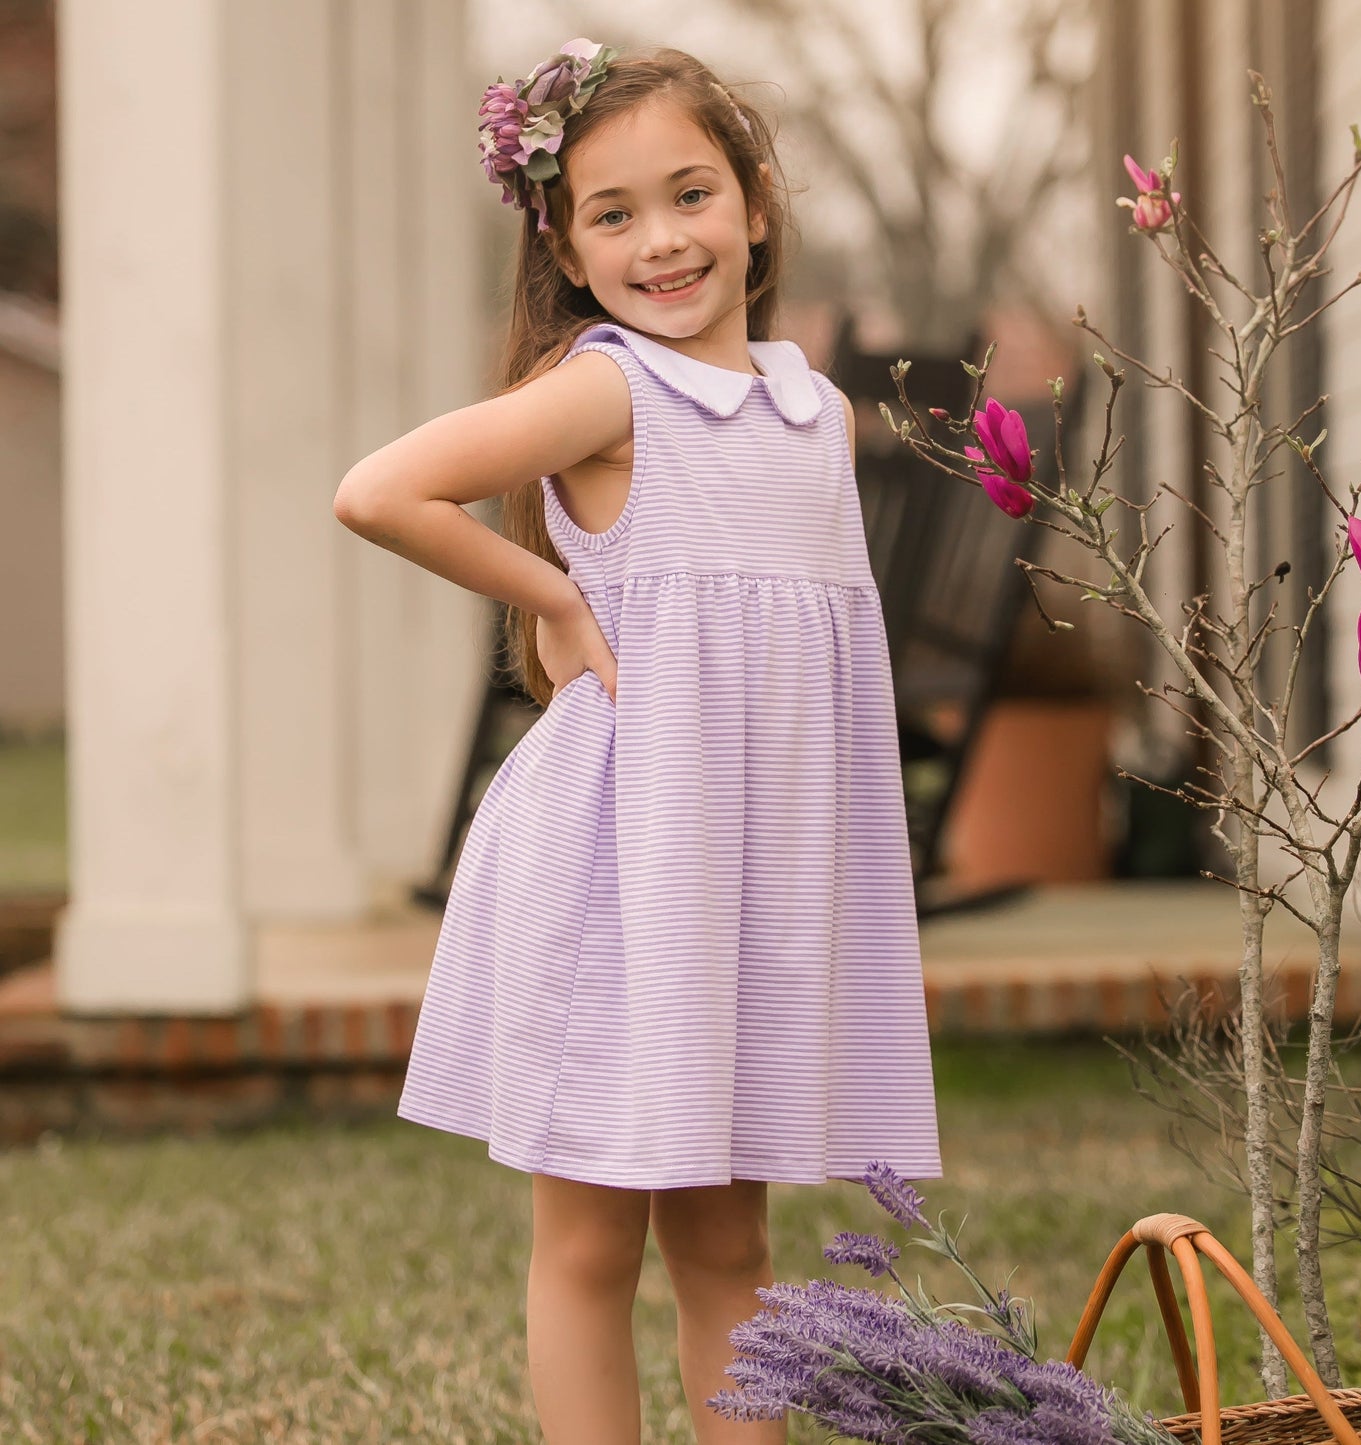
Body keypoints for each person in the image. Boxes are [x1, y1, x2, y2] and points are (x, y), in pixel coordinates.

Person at [333, 38, 942, 1445]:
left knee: (730, 1251)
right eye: (613, 214)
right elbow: (381, 490)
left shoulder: (815, 414)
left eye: (691, 195)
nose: (661, 240)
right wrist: (552, 590)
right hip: (617, 886)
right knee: (592, 1245)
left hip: (740, 901)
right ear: (565, 240)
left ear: (757, 204)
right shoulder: (609, 391)